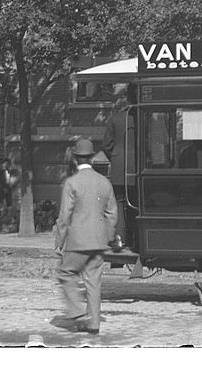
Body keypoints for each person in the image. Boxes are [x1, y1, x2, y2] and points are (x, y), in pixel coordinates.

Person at [51, 137, 118, 336]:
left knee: (65, 273)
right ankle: (94, 324)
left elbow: (64, 216)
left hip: (78, 241)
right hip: (99, 241)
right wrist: (108, 237)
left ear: (75, 159)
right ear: (92, 158)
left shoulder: (72, 183)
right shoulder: (104, 182)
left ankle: (77, 311)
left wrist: (59, 241)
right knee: (93, 281)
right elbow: (112, 214)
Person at [100, 86, 135, 251]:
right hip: (138, 168)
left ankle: (120, 239)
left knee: (120, 204)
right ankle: (136, 240)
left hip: (119, 167)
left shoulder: (116, 118)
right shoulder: (143, 116)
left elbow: (106, 144)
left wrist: (116, 158)